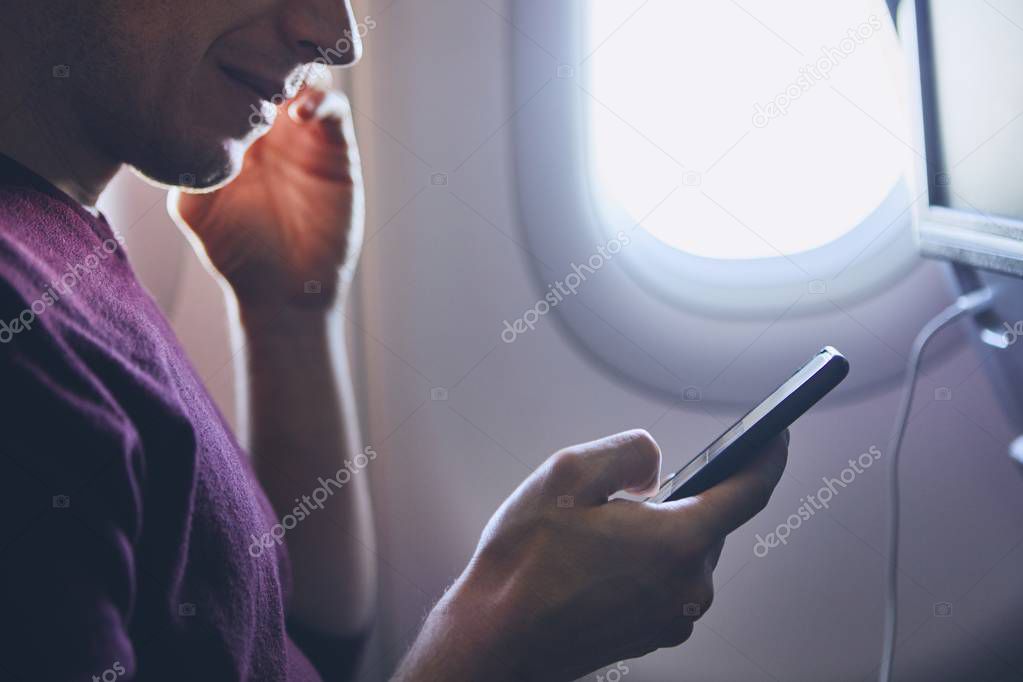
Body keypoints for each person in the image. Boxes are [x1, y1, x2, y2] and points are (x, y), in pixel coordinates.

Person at [0, 1, 788, 680]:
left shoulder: (62, 239)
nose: (338, 36)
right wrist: (498, 645)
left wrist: (290, 313)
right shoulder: (20, 335)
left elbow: (290, 647)